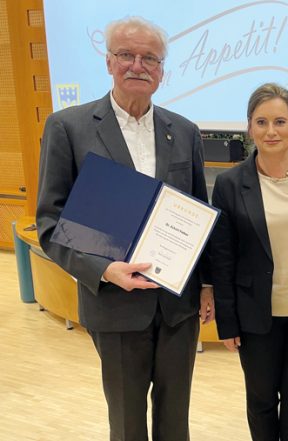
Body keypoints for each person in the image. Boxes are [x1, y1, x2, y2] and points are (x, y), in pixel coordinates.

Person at [36, 17, 213, 441]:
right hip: (115, 304)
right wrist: (103, 269)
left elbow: (198, 213)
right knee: (127, 424)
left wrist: (206, 286)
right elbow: (49, 221)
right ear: (109, 62)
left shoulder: (184, 131)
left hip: (177, 307)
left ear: (162, 70)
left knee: (176, 422)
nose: (138, 65)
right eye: (127, 55)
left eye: (149, 58)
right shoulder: (69, 127)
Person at [209, 83, 288, 441]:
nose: (271, 131)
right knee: (262, 399)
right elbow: (222, 257)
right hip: (255, 315)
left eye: (280, 121)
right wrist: (227, 320)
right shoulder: (231, 184)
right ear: (249, 127)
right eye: (261, 122)